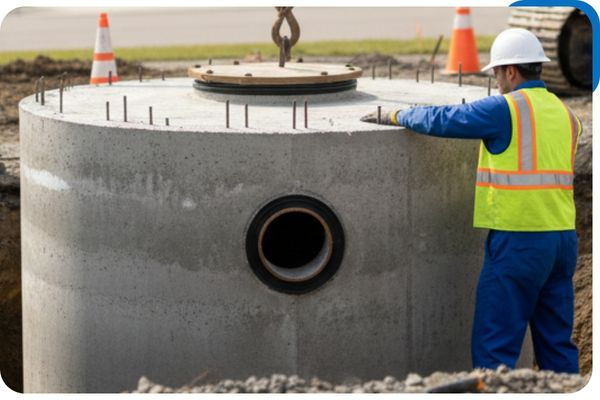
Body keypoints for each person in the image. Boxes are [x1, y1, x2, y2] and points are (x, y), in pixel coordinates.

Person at [361, 28, 582, 373]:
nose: (496, 83)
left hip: (518, 240)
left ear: (510, 71)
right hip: (562, 241)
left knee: (496, 348)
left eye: (496, 74)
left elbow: (447, 120)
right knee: (556, 344)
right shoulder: (568, 116)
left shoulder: (506, 109)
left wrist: (396, 116)